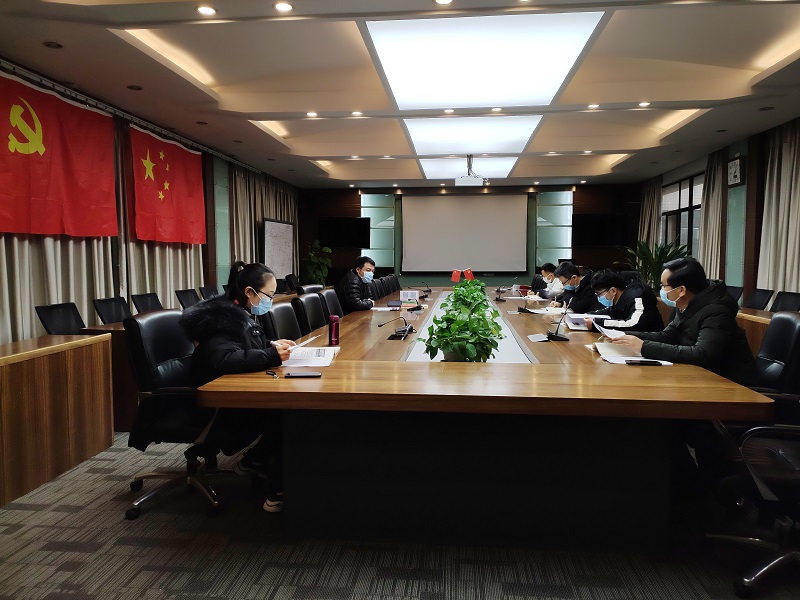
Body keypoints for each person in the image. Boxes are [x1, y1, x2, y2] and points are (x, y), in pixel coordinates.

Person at [180, 260, 296, 512]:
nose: (271, 300)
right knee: (287, 414)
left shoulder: (239, 311)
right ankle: (275, 487)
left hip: (231, 392)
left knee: (287, 411)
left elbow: (242, 344)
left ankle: (256, 461)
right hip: (217, 403)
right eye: (269, 295)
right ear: (249, 292)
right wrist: (271, 356)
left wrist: (272, 345)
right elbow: (224, 358)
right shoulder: (224, 319)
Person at [611, 257, 757, 385]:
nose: (661, 290)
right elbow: (667, 336)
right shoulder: (685, 304)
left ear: (681, 290)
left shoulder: (717, 312)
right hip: (701, 377)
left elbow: (702, 354)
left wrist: (644, 347)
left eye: (664, 286)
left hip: (733, 385)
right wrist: (623, 336)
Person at [584, 269, 663, 332]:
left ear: (613, 291)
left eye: (599, 294)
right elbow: (607, 312)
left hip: (648, 343)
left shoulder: (637, 298)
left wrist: (597, 323)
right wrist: (584, 316)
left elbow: (632, 324)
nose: (598, 297)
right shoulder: (618, 300)